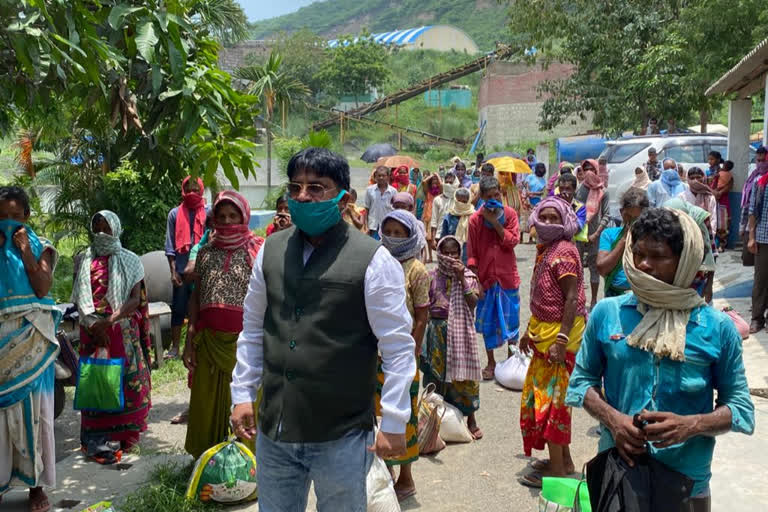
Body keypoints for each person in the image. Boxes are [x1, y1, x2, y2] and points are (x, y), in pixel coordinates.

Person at [230, 148, 417, 512]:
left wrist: (394, 420)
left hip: (341, 434)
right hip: (276, 429)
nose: (303, 197)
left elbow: (397, 347)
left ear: (343, 198)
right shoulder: (270, 250)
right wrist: (242, 393)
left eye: (316, 188)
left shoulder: (373, 259)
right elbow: (253, 328)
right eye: (296, 187)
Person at [566, 208, 754, 511]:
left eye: (658, 256)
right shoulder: (607, 313)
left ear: (685, 261)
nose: (643, 265)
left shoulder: (717, 328)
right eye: (638, 253)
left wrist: (691, 425)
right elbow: (580, 382)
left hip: (686, 481)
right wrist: (615, 421)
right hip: (618, 473)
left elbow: (741, 407)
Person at [184, 191, 264, 459]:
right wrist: (189, 339)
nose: (228, 221)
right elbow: (196, 296)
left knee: (245, 403)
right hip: (208, 340)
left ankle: (246, 464)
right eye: (221, 216)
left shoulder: (257, 250)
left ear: (244, 216)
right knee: (206, 404)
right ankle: (207, 462)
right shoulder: (205, 252)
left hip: (245, 345)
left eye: (233, 215)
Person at [72, 211, 150, 464]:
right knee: (96, 379)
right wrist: (95, 325)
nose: (102, 232)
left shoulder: (130, 259)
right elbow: (80, 295)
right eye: (98, 228)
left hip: (119, 328)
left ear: (116, 229)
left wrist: (109, 321)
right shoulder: (82, 258)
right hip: (91, 327)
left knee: (125, 382)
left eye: (107, 227)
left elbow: (135, 299)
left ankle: (126, 435)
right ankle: (96, 437)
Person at [518, 196, 586, 488]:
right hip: (544, 334)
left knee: (552, 406)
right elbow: (544, 296)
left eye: (553, 218)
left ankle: (557, 472)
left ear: (565, 222)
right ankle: (564, 461)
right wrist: (528, 331)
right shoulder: (547, 249)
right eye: (542, 217)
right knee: (548, 401)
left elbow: (571, 298)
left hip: (560, 338)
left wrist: (560, 339)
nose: (546, 223)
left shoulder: (565, 252)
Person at [0, 186, 59, 512]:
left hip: (32, 339)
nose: (9, 223)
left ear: (27, 217)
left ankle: (37, 487)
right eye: (2, 217)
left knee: (37, 417)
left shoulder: (41, 246)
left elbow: (42, 286)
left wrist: (24, 251)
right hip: (1, 343)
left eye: (15, 216)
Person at [378, 209, 428, 502]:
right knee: (380, 413)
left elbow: (422, 315)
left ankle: (406, 477)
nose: (394, 238)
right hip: (377, 351)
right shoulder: (378, 262)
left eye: (400, 233)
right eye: (390, 232)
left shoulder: (417, 270)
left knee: (404, 413)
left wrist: (412, 350)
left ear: (410, 236)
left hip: (403, 354)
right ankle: (385, 473)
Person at [422, 236, 482, 440]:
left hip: (461, 333)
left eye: (454, 253)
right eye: (445, 253)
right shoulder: (431, 276)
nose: (450, 256)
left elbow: (473, 302)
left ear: (460, 254)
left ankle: (471, 419)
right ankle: (433, 422)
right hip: (437, 333)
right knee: (436, 377)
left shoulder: (469, 276)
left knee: (464, 379)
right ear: (439, 253)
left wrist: (461, 279)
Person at [467, 176, 521, 380]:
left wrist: (495, 223)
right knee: (488, 323)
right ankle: (491, 362)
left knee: (512, 321)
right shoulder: (474, 220)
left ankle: (510, 360)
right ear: (481, 196)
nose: (493, 199)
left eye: (496, 195)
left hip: (508, 278)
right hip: (486, 279)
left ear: (501, 193)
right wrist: (475, 282)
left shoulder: (510, 215)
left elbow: (512, 241)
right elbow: (471, 254)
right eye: (488, 196)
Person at [165, 176, 209, 360]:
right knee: (179, 308)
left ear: (201, 190)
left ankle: (198, 345)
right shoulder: (174, 214)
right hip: (182, 272)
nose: (192, 193)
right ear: (183, 190)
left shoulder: (209, 212)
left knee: (201, 308)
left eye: (195, 189)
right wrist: (173, 271)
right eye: (188, 189)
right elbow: (169, 246)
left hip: (203, 271)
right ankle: (175, 347)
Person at [597, 188, 649, 297]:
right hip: (614, 294)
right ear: (621, 212)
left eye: (636, 218)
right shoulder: (609, 234)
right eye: (628, 217)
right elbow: (602, 268)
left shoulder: (651, 238)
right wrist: (624, 240)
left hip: (642, 295)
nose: (631, 222)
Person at [664, 198, 716, 303]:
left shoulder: (700, 220)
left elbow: (712, 251)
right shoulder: (663, 222)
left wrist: (709, 285)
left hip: (697, 279)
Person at [575, 160, 610, 310]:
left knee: (594, 268)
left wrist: (596, 234)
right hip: (578, 234)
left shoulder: (603, 191)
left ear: (597, 171)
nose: (589, 172)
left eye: (591, 169)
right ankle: (580, 299)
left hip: (595, 234)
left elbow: (607, 215)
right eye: (586, 169)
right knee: (578, 267)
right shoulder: (578, 189)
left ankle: (594, 300)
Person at [747, 163, 768, 333]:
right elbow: (752, 210)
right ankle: (757, 318)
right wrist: (751, 237)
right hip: (762, 238)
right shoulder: (760, 183)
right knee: (760, 280)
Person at [740, 148, 768, 265]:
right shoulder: (754, 178)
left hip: (762, 231)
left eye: (763, 160)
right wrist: (742, 226)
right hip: (751, 225)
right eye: (758, 160)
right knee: (749, 259)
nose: (760, 163)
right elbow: (748, 206)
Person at [680, 167, 718, 236]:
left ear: (703, 177)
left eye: (698, 177)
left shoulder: (709, 197)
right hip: (687, 234)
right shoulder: (682, 197)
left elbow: (713, 218)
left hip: (705, 234)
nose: (695, 181)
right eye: (692, 178)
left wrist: (710, 235)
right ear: (688, 179)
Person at [440, 188, 475, 262]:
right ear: (455, 200)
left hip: (471, 257)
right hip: (452, 257)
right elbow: (444, 238)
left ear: (468, 201)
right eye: (459, 201)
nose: (461, 204)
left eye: (464, 202)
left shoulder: (474, 216)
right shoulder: (449, 217)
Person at [364, 165, 397, 240]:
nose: (381, 178)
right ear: (375, 177)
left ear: (388, 177)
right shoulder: (369, 190)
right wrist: (365, 226)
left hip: (387, 227)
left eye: (383, 175)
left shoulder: (393, 191)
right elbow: (366, 209)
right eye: (379, 175)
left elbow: (395, 210)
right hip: (373, 226)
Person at [418, 172, 443, 263]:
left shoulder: (440, 191)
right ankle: (430, 257)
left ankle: (440, 256)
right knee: (427, 238)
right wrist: (432, 176)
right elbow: (424, 181)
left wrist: (437, 175)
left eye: (436, 181)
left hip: (437, 215)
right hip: (427, 215)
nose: (434, 183)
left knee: (437, 237)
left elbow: (442, 184)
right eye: (433, 181)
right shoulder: (427, 191)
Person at [430, 171, 457, 250]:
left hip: (454, 235)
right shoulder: (437, 200)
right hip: (440, 235)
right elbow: (434, 220)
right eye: (446, 182)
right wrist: (433, 239)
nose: (448, 185)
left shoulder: (457, 199)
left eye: (451, 183)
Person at [711, 160, 734, 251]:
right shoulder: (718, 174)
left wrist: (719, 192)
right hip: (716, 199)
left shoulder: (726, 175)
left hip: (722, 200)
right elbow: (711, 186)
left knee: (723, 222)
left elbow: (728, 187)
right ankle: (715, 244)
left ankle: (721, 245)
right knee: (714, 220)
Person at [523, 163, 548, 243]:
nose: (541, 170)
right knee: (524, 218)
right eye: (539, 168)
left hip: (536, 202)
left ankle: (531, 238)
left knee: (533, 219)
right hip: (527, 200)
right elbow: (525, 184)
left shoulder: (543, 180)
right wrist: (528, 192)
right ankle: (521, 237)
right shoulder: (530, 176)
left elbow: (542, 192)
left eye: (542, 168)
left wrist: (533, 194)